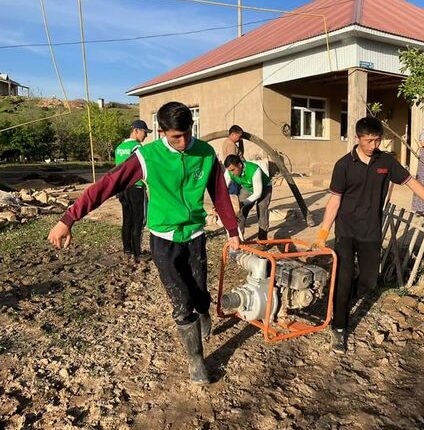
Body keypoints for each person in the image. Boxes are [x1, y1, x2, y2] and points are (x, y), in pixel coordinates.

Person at [48, 102, 240, 385]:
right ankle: (196, 359)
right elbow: (107, 185)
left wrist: (232, 230)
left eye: (187, 133)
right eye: (176, 137)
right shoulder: (146, 157)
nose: (184, 141)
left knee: (200, 294)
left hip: (195, 237)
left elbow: (220, 194)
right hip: (163, 240)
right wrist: (68, 218)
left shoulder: (206, 152)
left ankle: (204, 311)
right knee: (180, 301)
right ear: (162, 132)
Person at [312, 116, 424, 354]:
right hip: (345, 230)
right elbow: (335, 200)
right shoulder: (343, 165)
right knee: (343, 280)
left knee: (368, 282)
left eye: (377, 140)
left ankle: (338, 300)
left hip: (371, 231)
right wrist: (323, 231)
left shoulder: (386, 161)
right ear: (358, 138)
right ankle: (340, 327)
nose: (373, 146)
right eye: (368, 141)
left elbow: (411, 182)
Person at [114, 119, 151, 261]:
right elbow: (143, 167)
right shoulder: (137, 147)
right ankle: (137, 253)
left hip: (122, 188)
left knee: (127, 219)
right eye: (144, 132)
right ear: (136, 130)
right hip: (136, 187)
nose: (145, 136)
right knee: (139, 220)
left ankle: (127, 250)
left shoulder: (119, 147)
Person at [223, 154, 272, 242]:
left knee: (262, 212)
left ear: (240, 165)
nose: (232, 173)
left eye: (233, 170)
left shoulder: (254, 170)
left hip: (264, 188)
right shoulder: (229, 172)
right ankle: (239, 239)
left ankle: (263, 241)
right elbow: (223, 189)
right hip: (248, 187)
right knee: (240, 212)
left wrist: (242, 203)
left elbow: (258, 193)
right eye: (229, 170)